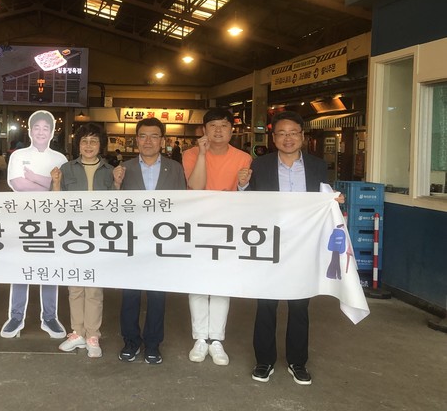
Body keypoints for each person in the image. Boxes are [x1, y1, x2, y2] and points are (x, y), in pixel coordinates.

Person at [238, 110, 328, 386]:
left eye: (293, 133)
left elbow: (324, 199)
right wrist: (242, 186)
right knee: (266, 303)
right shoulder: (260, 165)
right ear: (273, 138)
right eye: (281, 133)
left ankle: (297, 362)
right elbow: (248, 203)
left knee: (300, 304)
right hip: (270, 243)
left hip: (304, 243)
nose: (288, 138)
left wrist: (334, 200)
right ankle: (264, 360)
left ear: (302, 136)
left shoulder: (318, 166)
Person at [181, 108, 252, 366]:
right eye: (212, 126)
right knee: (198, 282)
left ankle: (217, 339)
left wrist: (242, 185)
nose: (218, 130)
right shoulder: (190, 154)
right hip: (197, 225)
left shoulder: (243, 157)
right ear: (204, 130)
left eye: (223, 125)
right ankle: (200, 337)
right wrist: (202, 153)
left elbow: (248, 197)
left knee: (222, 283)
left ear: (232, 130)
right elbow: (196, 186)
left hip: (228, 227)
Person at [114, 118, 186, 364]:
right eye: (143, 136)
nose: (148, 141)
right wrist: (116, 184)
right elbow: (113, 206)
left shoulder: (174, 168)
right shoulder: (124, 169)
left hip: (161, 242)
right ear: (136, 140)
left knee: (157, 295)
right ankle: (131, 341)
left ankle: (153, 344)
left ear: (162, 141)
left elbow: (181, 205)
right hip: (132, 240)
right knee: (130, 294)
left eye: (154, 136)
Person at [50, 123, 123, 358]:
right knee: (74, 287)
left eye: (93, 141)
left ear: (101, 145)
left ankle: (92, 335)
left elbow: (117, 206)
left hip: (99, 235)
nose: (89, 145)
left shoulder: (110, 170)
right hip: (72, 234)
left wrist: (117, 184)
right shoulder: (66, 169)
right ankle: (77, 332)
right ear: (78, 145)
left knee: (93, 288)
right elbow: (55, 204)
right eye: (84, 141)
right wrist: (56, 183)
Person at [1, 110, 68, 339]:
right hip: (23, 220)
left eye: (45, 128)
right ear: (30, 131)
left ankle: (50, 317)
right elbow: (18, 184)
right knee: (21, 267)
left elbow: (62, 188)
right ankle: (16, 316)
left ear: (52, 132)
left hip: (51, 222)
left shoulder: (60, 159)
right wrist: (49, 183)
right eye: (36, 127)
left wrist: (34, 177)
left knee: (49, 269)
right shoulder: (18, 155)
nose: (41, 132)